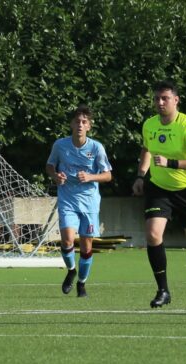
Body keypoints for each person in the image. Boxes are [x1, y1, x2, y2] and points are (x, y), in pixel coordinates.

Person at [132, 80, 186, 309]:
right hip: (160, 189)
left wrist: (171, 163)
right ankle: (163, 290)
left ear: (176, 100)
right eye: (156, 98)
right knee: (153, 234)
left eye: (164, 98)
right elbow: (147, 149)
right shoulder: (149, 125)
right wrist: (141, 176)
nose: (159, 102)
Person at [46, 105, 112, 297]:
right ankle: (71, 271)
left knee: (86, 246)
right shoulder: (60, 145)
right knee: (67, 239)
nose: (80, 125)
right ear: (71, 124)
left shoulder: (96, 147)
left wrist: (91, 177)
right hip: (67, 198)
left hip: (90, 202)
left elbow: (107, 175)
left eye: (84, 122)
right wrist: (56, 176)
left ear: (89, 126)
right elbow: (50, 166)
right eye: (77, 121)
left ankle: (82, 283)